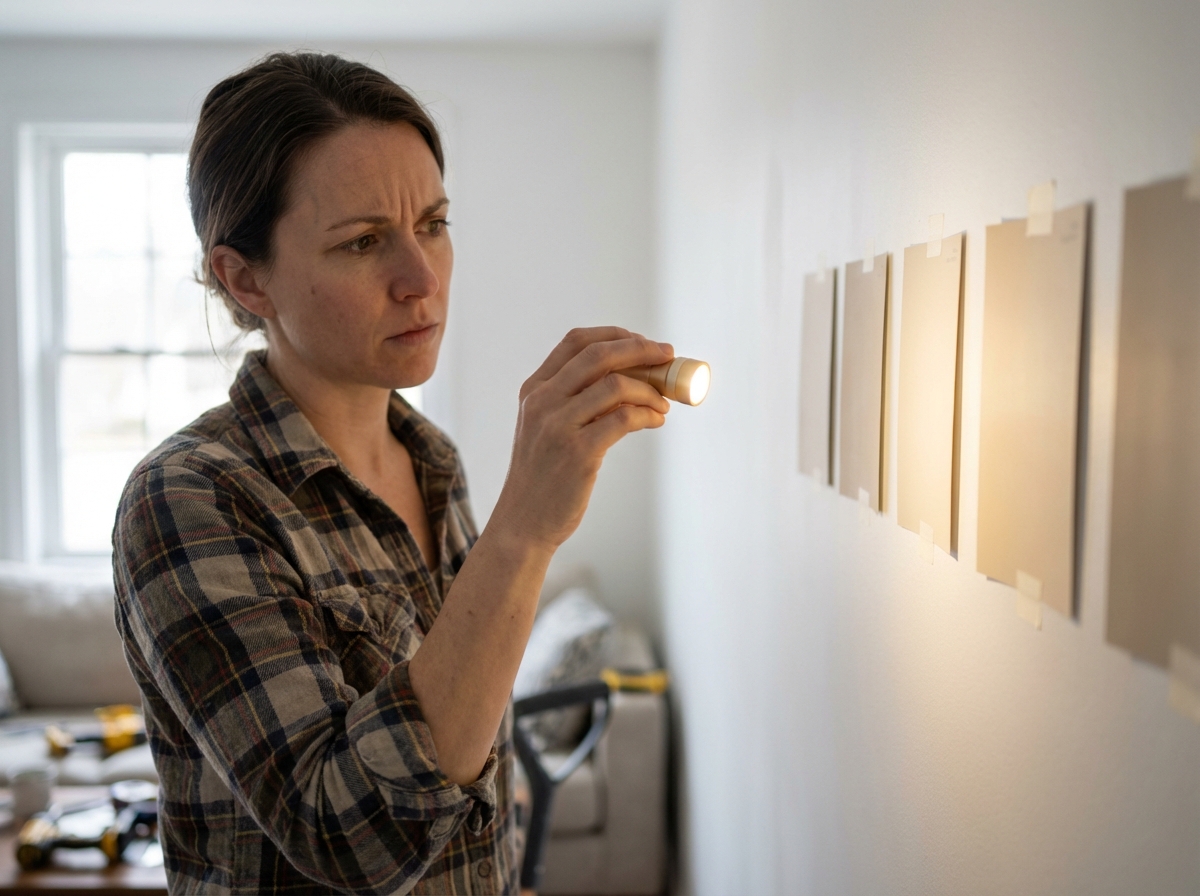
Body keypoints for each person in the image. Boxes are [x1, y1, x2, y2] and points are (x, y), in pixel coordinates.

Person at [111, 52, 672, 895]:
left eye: (435, 225)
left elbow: (477, 778)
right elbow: (351, 838)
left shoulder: (432, 461)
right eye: (364, 241)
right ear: (244, 277)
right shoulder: (191, 498)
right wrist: (524, 531)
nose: (423, 281)